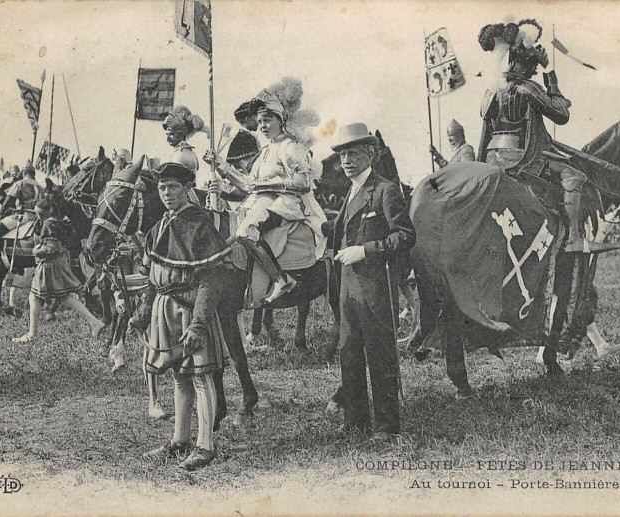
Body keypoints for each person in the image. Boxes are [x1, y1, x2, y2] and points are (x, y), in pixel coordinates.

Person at [477, 19, 612, 253]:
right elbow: (561, 114)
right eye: (531, 68)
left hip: (491, 157)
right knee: (574, 176)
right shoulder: (527, 88)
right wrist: (550, 75)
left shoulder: (490, 92)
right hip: (519, 157)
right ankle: (574, 239)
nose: (531, 72)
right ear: (519, 64)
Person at [325, 122, 415, 441]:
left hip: (377, 284)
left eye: (353, 153)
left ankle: (387, 426)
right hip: (348, 286)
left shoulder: (385, 189)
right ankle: (356, 420)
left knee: (380, 355)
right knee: (349, 353)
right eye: (342, 154)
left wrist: (365, 250)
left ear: (370, 154)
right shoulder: (350, 191)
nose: (346, 160)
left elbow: (404, 236)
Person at [140, 161, 232, 471]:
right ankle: (180, 440)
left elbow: (211, 279)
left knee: (202, 376)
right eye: (162, 187)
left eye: (174, 187)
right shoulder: (160, 226)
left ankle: (205, 446)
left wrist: (198, 323)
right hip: (166, 311)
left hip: (192, 310)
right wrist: (142, 313)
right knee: (180, 377)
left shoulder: (200, 224)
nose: (167, 193)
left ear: (187, 189)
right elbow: (152, 277)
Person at [210, 87, 326, 305]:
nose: (263, 126)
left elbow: (303, 183)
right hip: (262, 202)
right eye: (260, 121)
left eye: (267, 120)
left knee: (246, 232)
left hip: (288, 205)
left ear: (281, 120)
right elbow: (248, 185)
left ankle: (282, 280)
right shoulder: (265, 151)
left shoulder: (291, 146)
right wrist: (220, 165)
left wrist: (268, 184)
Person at [12, 198, 105, 343]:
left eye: (39, 213)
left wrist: (36, 250)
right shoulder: (59, 222)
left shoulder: (48, 224)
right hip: (58, 262)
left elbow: (51, 247)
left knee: (36, 296)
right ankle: (94, 322)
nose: (38, 217)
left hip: (49, 264)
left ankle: (32, 334)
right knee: (63, 296)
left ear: (46, 211)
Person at [0, 162, 43, 264]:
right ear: (33, 173)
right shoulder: (40, 186)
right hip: (39, 217)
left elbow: (9, 201)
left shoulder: (20, 183)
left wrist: (1, 211)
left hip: (25, 215)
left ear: (24, 172)